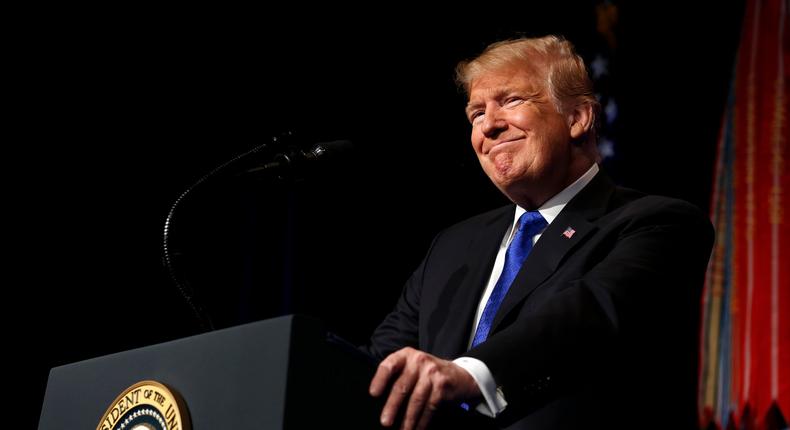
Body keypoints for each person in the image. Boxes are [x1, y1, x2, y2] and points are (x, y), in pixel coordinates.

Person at [364, 35, 714, 430]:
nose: (489, 125)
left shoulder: (657, 223)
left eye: (511, 101)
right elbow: (382, 362)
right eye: (476, 113)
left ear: (577, 118)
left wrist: (473, 373)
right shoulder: (452, 246)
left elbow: (585, 313)